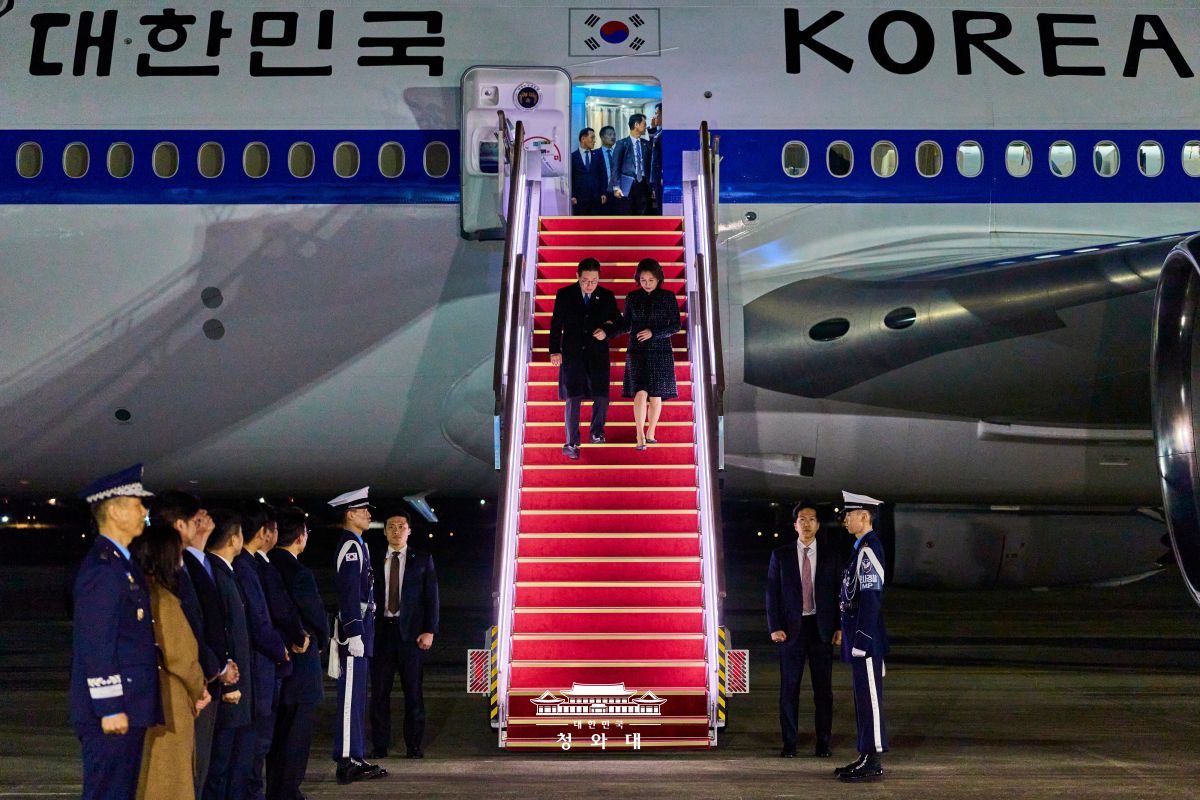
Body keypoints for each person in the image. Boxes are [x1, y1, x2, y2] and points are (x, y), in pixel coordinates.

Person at [70, 464, 161, 800]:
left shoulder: (122, 565)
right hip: (111, 708)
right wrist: (109, 706)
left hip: (129, 703)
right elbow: (97, 643)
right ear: (115, 510)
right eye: (138, 504)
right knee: (108, 792)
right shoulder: (105, 569)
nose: (144, 511)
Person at [160, 490, 239, 799]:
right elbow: (188, 631)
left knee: (199, 768)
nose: (204, 523)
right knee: (189, 771)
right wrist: (213, 669)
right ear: (181, 525)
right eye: (196, 520)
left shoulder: (187, 565)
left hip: (202, 679)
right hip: (191, 683)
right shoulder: (174, 571)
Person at [132, 524, 211, 800]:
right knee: (170, 780)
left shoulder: (136, 593)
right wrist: (200, 688)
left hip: (146, 699)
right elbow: (182, 656)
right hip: (170, 702)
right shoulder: (163, 600)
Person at [766, 501, 841, 758]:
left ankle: (823, 743)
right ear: (795, 525)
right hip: (791, 630)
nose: (807, 523)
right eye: (802, 519)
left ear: (818, 525)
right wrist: (774, 626)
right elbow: (771, 593)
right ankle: (789, 743)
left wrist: (840, 627)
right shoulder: (781, 555)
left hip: (821, 630)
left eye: (811, 519)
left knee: (823, 691)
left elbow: (838, 594)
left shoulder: (831, 555)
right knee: (789, 689)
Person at [267, 507, 328, 800]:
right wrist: (322, 638)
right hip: (300, 665)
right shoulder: (298, 572)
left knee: (278, 733)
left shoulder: (265, 565)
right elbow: (314, 614)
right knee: (296, 734)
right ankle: (287, 791)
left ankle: (277, 788)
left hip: (275, 661)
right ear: (301, 537)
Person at [327, 487, 386, 784]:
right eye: (363, 510)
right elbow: (350, 594)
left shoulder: (358, 543)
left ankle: (356, 754)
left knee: (358, 696)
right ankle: (346, 760)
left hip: (363, 630)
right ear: (350, 514)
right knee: (350, 697)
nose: (368, 514)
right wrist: (353, 632)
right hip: (356, 632)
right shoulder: (350, 546)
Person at [370, 511, 440, 759]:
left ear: (409, 530)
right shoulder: (374, 558)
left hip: (411, 635)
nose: (396, 530)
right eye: (391, 526)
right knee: (379, 692)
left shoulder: (422, 559)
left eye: (401, 526)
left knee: (413, 692)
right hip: (382, 633)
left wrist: (429, 630)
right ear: (385, 531)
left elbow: (431, 598)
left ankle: (413, 745)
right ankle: (380, 745)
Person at [232, 503, 290, 800]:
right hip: (259, 667)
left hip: (265, 667)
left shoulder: (251, 564)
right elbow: (259, 619)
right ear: (264, 533)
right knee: (254, 746)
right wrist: (280, 649)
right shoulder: (246, 567)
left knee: (257, 745)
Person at [834, 491, 890, 783]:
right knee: (862, 701)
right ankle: (865, 753)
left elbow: (870, 599)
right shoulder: (860, 548)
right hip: (860, 640)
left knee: (870, 701)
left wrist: (861, 639)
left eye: (849, 515)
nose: (845, 520)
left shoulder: (868, 550)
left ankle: (874, 757)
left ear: (864, 517)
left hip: (864, 642)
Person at [548, 257, 623, 459]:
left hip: (597, 354)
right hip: (572, 354)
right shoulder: (564, 294)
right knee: (573, 398)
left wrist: (607, 331)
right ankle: (571, 442)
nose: (589, 285)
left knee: (601, 396)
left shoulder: (606, 296)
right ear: (577, 277)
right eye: (585, 281)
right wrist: (554, 350)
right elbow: (556, 324)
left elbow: (619, 322)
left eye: (594, 280)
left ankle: (597, 431)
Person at [204, 509, 255, 800]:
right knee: (220, 764)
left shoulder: (225, 572)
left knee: (230, 760)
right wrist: (231, 684)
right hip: (229, 687)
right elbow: (222, 632)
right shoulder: (217, 575)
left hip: (235, 684)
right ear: (234, 539)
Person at [621, 258, 681, 449]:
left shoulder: (668, 297)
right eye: (643, 280)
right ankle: (639, 435)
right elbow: (627, 323)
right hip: (637, 349)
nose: (647, 284)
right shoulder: (631, 297)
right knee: (639, 392)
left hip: (660, 350)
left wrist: (654, 333)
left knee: (656, 396)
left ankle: (651, 431)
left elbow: (676, 325)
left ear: (659, 279)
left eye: (651, 280)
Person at [609, 113, 653, 215]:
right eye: (644, 123)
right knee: (628, 214)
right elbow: (615, 166)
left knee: (644, 214)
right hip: (628, 184)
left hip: (644, 184)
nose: (645, 126)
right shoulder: (622, 143)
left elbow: (651, 165)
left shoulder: (646, 144)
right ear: (636, 125)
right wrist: (616, 186)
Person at [570, 127, 607, 216]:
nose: (594, 141)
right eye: (592, 138)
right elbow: (571, 178)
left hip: (596, 199)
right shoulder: (572, 157)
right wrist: (572, 195)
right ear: (583, 139)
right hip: (579, 200)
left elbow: (603, 175)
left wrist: (603, 193)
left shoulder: (598, 155)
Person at [648, 102, 664, 214]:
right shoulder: (659, 132)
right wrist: (653, 129)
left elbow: (663, 156)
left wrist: (663, 175)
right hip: (656, 177)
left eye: (657, 113)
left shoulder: (666, 133)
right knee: (658, 206)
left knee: (662, 207)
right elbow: (652, 150)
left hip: (661, 176)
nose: (655, 117)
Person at [598, 125, 617, 210]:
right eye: (609, 134)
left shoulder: (618, 153)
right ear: (602, 137)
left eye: (614, 134)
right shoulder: (595, 154)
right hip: (603, 194)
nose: (613, 137)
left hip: (618, 192)